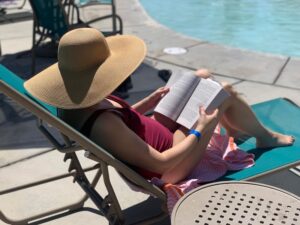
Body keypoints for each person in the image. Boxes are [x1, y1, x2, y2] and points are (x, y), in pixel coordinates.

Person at [24, 28, 295, 184]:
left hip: (158, 137)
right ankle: (263, 136)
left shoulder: (81, 102)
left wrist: (149, 102)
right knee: (222, 92)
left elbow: (125, 120)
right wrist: (199, 130)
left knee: (200, 76)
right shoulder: (104, 124)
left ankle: (239, 129)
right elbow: (162, 163)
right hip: (173, 162)